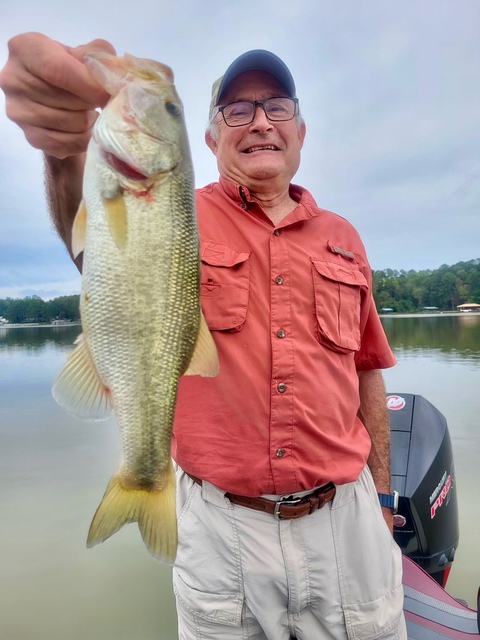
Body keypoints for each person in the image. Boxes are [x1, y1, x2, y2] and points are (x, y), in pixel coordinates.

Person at [0, 33, 407, 639]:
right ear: (212, 138)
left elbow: (367, 371)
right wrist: (65, 153)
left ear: (300, 131)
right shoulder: (173, 209)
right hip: (221, 530)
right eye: (237, 110)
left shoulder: (344, 235)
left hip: (346, 521)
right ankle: (142, 478)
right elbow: (96, 256)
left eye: (277, 107)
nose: (260, 122)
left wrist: (381, 497)